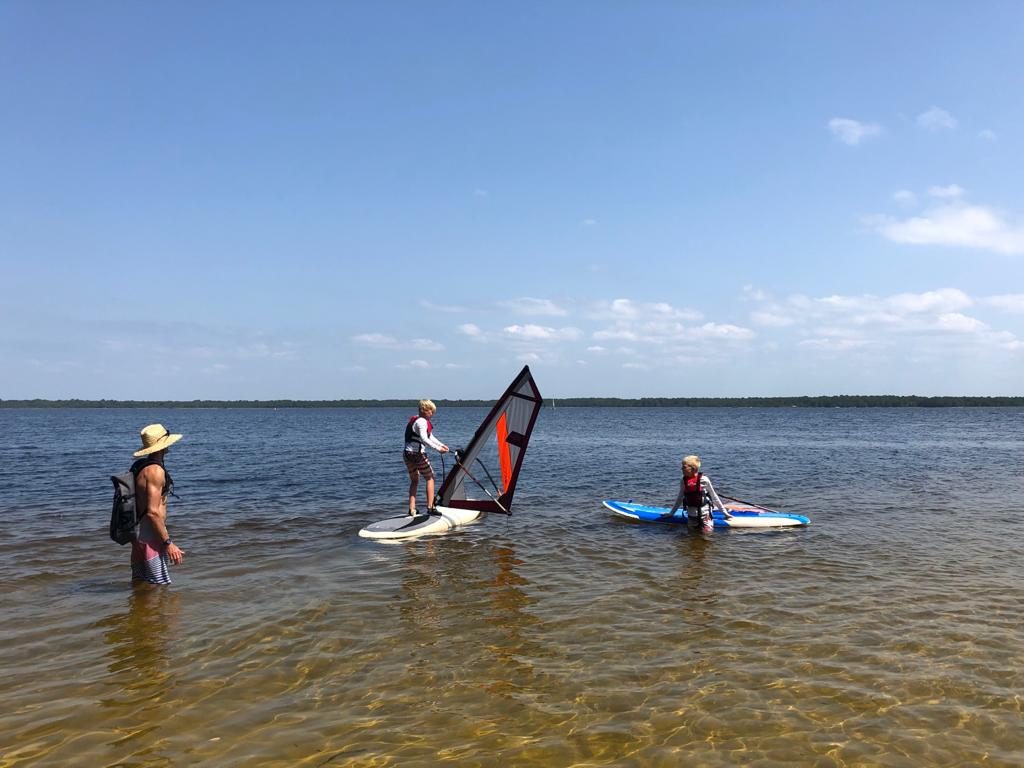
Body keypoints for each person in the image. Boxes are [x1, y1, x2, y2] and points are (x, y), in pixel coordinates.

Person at [130, 424, 185, 585]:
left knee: (141, 586)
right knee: (158, 590)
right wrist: (168, 543)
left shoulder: (141, 466)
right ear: (163, 445)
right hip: (150, 537)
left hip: (139, 536)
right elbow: (153, 512)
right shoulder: (155, 471)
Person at [404, 399, 450, 515]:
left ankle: (412, 509)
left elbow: (430, 436)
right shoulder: (422, 422)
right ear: (424, 410)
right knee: (430, 478)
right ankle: (430, 507)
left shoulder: (416, 419)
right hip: (417, 454)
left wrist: (441, 444)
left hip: (407, 454)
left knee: (415, 480)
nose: (432, 414)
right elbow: (425, 439)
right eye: (431, 411)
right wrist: (438, 449)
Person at [666, 454, 732, 533]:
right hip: (691, 515)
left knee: (707, 535)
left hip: (705, 515)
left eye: (684, 467)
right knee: (692, 535)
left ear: (693, 469)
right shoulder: (683, 481)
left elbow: (714, 496)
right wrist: (671, 513)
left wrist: (725, 513)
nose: (681, 469)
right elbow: (680, 498)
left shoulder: (704, 479)